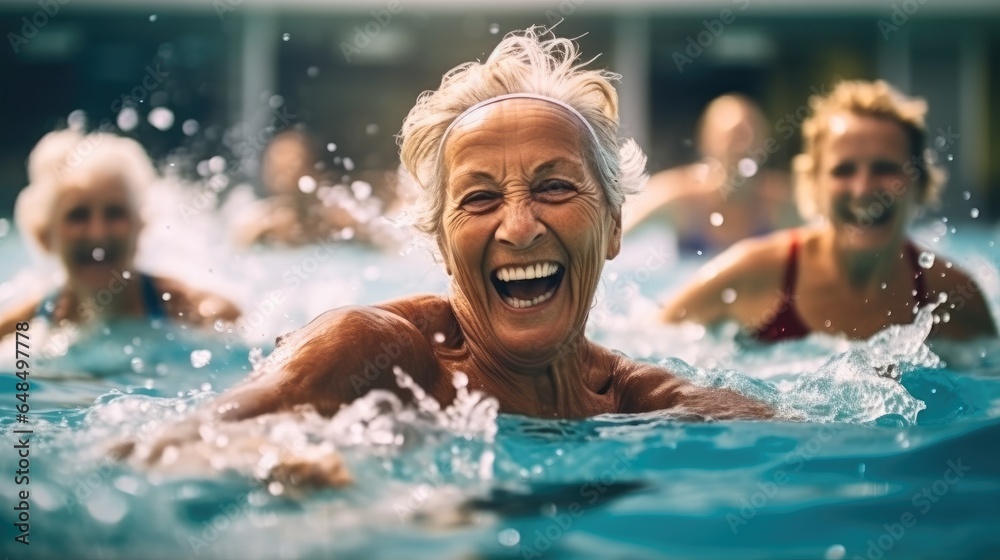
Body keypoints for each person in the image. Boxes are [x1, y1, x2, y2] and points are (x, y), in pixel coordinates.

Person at [127, 27, 774, 470]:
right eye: (480, 198)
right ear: (438, 242)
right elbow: (151, 451)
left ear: (612, 227)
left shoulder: (648, 404)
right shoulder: (371, 354)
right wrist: (266, 466)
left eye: (552, 186)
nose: (519, 227)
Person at [661, 80, 997, 341]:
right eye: (843, 170)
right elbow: (645, 354)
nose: (864, 189)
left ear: (920, 184)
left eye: (884, 168)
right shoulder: (749, 275)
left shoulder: (954, 299)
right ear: (812, 186)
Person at [0, 129, 241, 340]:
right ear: (44, 235)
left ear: (140, 225)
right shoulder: (17, 331)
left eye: (115, 213)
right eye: (78, 215)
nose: (97, 235)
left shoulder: (205, 315)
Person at [622, 94, 799, 254]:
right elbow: (614, 230)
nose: (743, 147)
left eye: (750, 137)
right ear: (707, 143)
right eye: (735, 137)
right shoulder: (681, 197)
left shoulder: (778, 205)